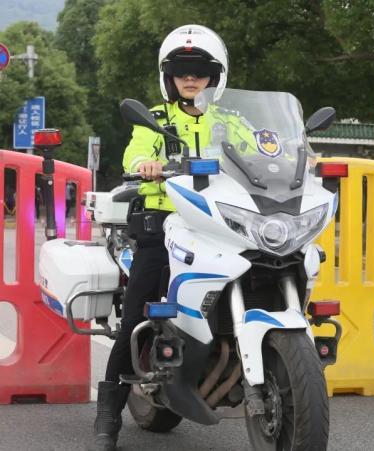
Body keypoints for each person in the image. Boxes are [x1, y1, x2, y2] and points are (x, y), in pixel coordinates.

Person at [91, 24, 256, 451]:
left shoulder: (230, 122)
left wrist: (286, 157)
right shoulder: (157, 118)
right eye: (182, 70)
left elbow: (258, 151)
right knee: (135, 317)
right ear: (169, 77)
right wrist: (145, 164)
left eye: (200, 70)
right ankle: (108, 416)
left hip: (221, 226)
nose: (191, 78)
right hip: (163, 226)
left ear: (215, 76)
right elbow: (136, 151)